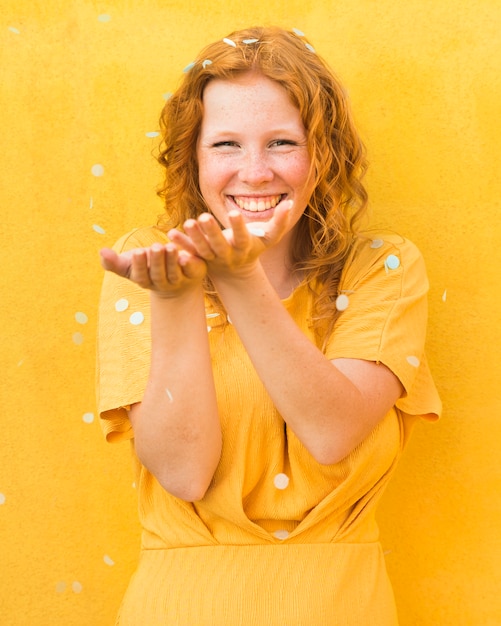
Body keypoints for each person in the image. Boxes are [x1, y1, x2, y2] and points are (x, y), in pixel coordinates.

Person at [96, 25, 441, 625]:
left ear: (323, 154)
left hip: (341, 607)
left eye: (282, 142)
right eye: (226, 145)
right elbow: (182, 472)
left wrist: (238, 277)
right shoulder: (150, 261)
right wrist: (177, 299)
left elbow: (332, 433)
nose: (254, 173)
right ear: (193, 158)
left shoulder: (383, 268)